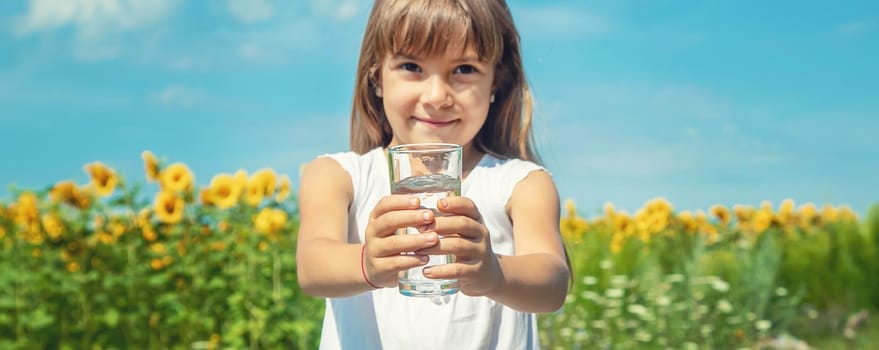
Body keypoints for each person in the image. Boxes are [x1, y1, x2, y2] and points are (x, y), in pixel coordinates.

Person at [296, 0, 570, 348]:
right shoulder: (338, 176)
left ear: (496, 83)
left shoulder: (522, 184)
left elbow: (552, 284)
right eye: (412, 66)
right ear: (376, 76)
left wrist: (495, 274)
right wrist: (367, 263)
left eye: (464, 69)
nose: (437, 96)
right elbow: (312, 268)